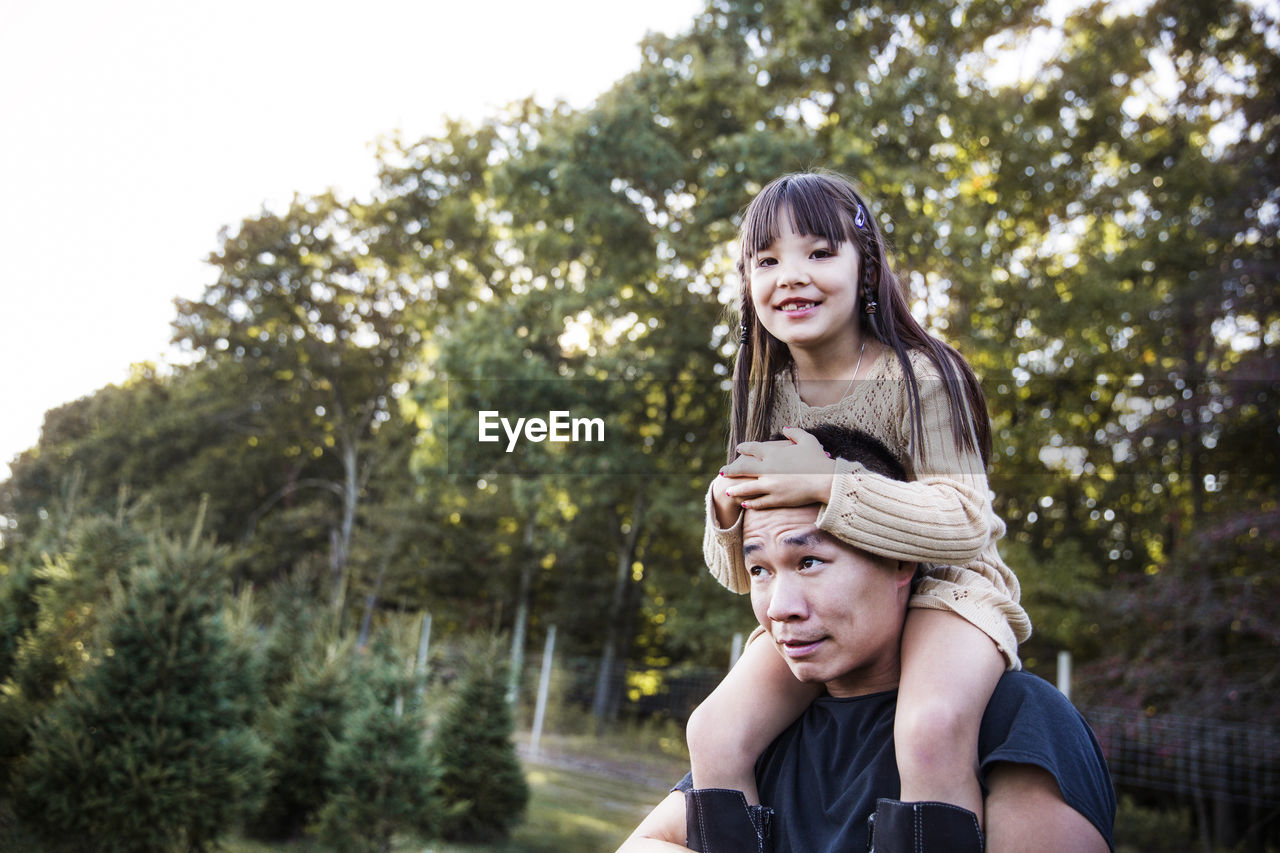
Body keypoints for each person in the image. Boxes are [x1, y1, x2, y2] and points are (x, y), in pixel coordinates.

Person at [687, 171, 1031, 832]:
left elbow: (966, 525)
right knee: (713, 733)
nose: (791, 275)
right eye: (768, 260)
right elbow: (741, 569)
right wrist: (727, 513)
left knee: (928, 729)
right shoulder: (761, 391)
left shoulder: (921, 375)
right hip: (825, 594)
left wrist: (827, 485)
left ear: (865, 265)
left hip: (949, 590)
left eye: (819, 252)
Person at [619, 425, 1115, 852]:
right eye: (759, 569)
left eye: (808, 561)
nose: (778, 607)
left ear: (900, 560)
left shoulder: (1015, 722)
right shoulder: (766, 730)